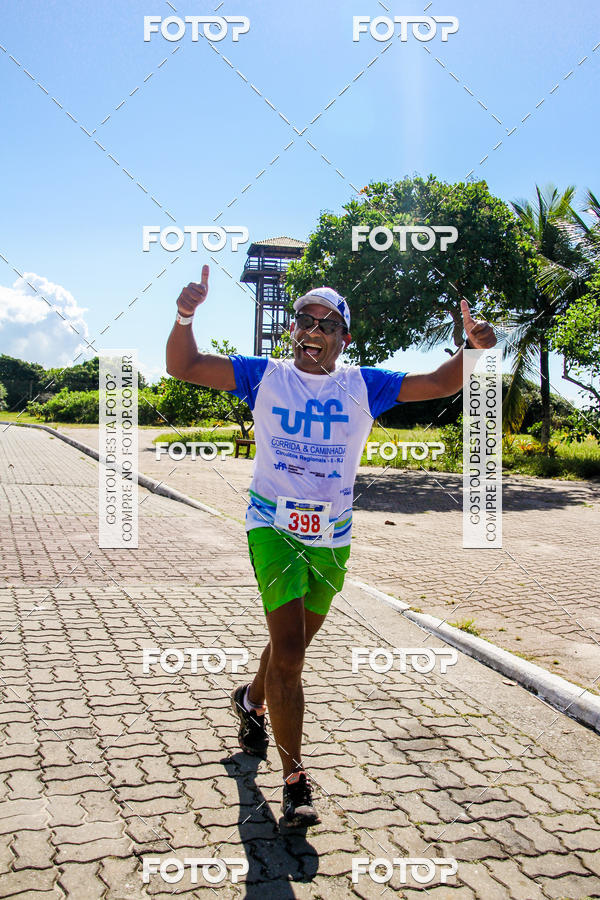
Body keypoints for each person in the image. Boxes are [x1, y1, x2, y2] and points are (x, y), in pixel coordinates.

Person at [166, 264, 496, 826]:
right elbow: (184, 365)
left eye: (327, 323)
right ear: (292, 328)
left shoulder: (365, 384)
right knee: (291, 652)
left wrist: (476, 350)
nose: (313, 330)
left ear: (344, 337)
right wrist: (185, 314)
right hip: (271, 526)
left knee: (290, 643)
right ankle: (295, 780)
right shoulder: (262, 376)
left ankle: (250, 698)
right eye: (305, 319)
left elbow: (441, 384)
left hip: (332, 536)